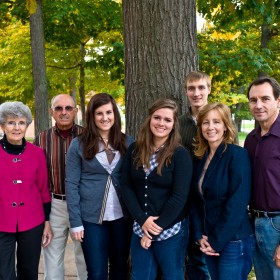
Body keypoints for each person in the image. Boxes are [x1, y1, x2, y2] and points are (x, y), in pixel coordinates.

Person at [122, 98, 193, 280]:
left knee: (172, 276)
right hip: (140, 226)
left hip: (171, 229)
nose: (161, 123)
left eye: (167, 120)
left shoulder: (180, 154)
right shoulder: (134, 150)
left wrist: (153, 230)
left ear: (174, 125)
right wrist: (142, 220)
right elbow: (127, 186)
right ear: (149, 119)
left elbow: (179, 197)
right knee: (140, 276)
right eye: (157, 117)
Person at [65, 93, 134, 280]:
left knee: (120, 269)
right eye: (99, 113)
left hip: (122, 218)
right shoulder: (78, 144)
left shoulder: (128, 142)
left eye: (109, 112)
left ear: (115, 114)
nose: (105, 118)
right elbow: (71, 184)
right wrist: (76, 222)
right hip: (91, 219)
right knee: (96, 272)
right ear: (92, 117)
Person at [192, 102, 255, 280]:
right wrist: (199, 236)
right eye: (205, 122)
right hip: (208, 239)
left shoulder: (237, 155)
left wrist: (215, 241)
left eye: (216, 122)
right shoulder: (200, 158)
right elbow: (195, 201)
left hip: (234, 240)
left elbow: (237, 204)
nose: (210, 127)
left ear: (226, 126)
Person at [34, 94, 87, 280]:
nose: (63, 112)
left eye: (68, 108)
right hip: (54, 204)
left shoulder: (87, 136)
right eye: (58, 108)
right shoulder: (41, 139)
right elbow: (36, 177)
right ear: (51, 112)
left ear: (75, 111)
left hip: (82, 205)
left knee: (84, 256)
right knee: (52, 256)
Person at [0, 101, 52, 280]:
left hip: (32, 221)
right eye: (11, 122)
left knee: (29, 273)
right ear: (2, 125)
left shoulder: (37, 153)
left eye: (21, 122)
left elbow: (43, 189)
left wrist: (46, 221)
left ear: (27, 125)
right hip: (1, 221)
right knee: (3, 274)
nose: (16, 127)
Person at [244, 76, 280, 279]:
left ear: (278, 101)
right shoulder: (251, 139)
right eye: (253, 100)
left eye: (265, 99)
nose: (258, 105)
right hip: (255, 223)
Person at [179, 70, 211, 279]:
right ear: (186, 91)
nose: (196, 93)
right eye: (191, 88)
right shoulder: (179, 123)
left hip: (211, 199)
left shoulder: (218, 118)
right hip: (184, 198)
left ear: (209, 89)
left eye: (201, 87)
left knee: (209, 251)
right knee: (193, 256)